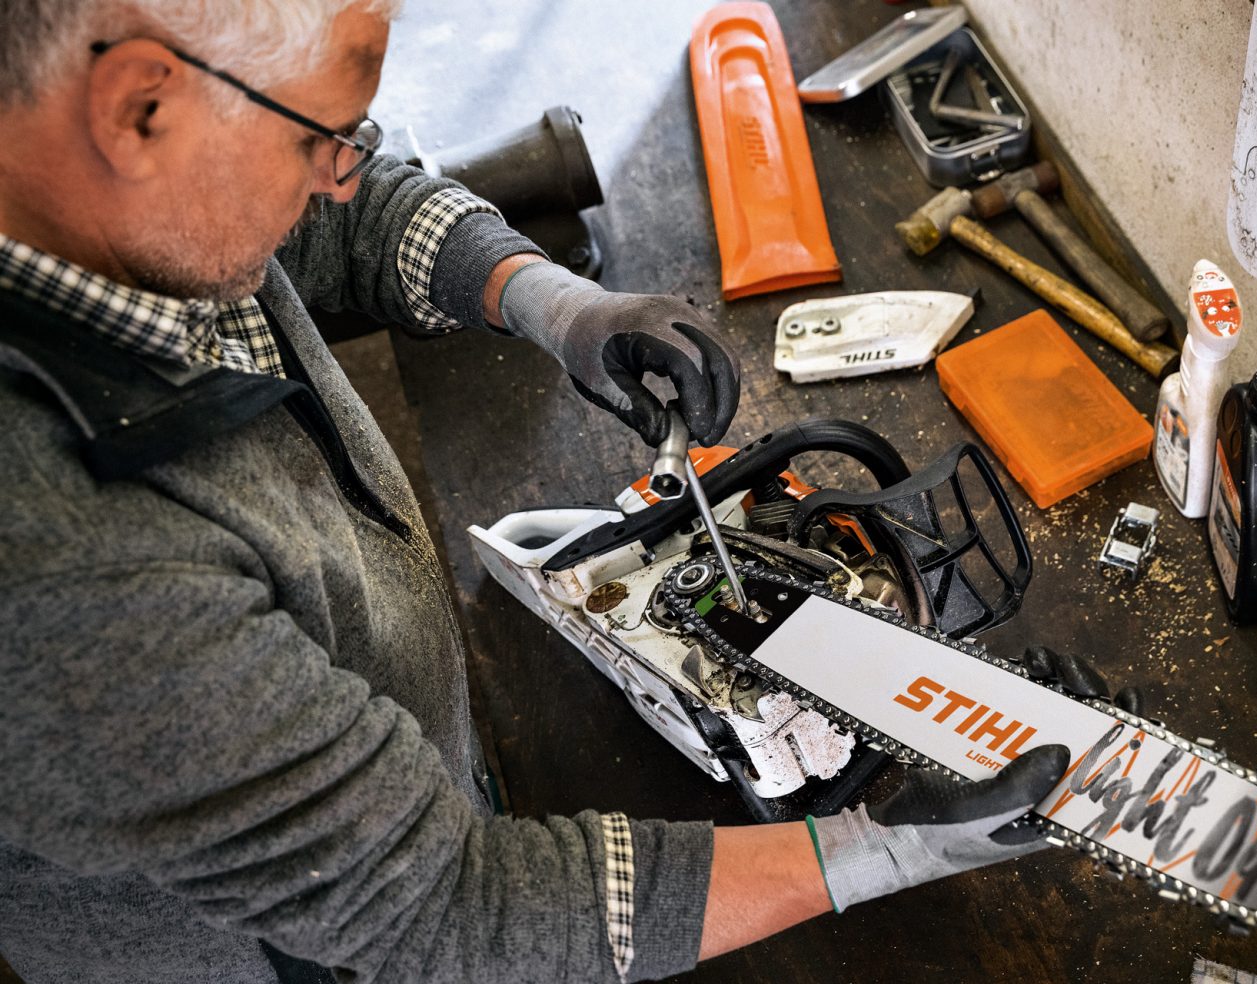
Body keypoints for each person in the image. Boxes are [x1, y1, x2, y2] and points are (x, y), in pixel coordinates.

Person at [0, 2, 1138, 981]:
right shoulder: (68, 585)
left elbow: (340, 209)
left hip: (374, 770)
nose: (340, 169)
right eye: (324, 140)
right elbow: (442, 917)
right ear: (140, 108)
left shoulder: (113, 186)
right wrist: (882, 849)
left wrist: (551, 304)